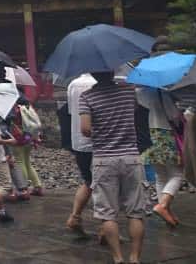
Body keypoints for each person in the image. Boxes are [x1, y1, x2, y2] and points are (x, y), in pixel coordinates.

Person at [79, 72, 147, 264]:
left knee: (107, 213)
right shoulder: (128, 92)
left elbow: (85, 129)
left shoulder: (87, 96)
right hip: (131, 157)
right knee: (135, 211)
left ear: (93, 74)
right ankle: (135, 258)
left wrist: (102, 131)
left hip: (103, 159)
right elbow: (133, 114)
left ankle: (118, 258)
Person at [138, 87, 183, 227]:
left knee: (160, 176)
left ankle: (165, 211)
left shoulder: (137, 93)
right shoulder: (160, 91)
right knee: (177, 174)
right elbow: (173, 115)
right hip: (164, 134)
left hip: (146, 135)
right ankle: (163, 206)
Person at [65, 74, 95, 235]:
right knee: (104, 184)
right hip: (97, 141)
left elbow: (71, 111)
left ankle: (75, 216)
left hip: (78, 141)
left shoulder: (72, 84)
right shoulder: (97, 84)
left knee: (89, 180)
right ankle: (107, 227)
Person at [8, 92, 44, 197]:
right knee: (27, 162)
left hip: (19, 138)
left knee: (19, 162)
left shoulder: (16, 109)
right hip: (30, 138)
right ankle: (37, 186)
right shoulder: (28, 107)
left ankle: (24, 188)